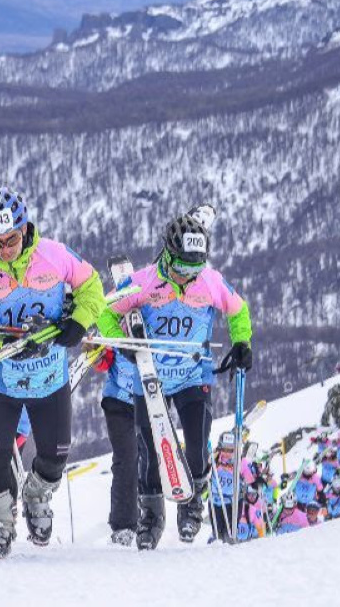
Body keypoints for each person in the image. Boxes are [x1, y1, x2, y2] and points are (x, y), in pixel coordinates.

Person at [0, 186, 106, 560]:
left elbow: (93, 287)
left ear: (25, 228)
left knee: (56, 454)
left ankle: (37, 492)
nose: (5, 249)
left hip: (48, 378)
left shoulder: (54, 255)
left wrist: (77, 324)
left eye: (12, 240)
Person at [97, 211, 253, 548]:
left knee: (196, 445)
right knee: (151, 452)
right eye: (181, 267)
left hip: (192, 374)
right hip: (150, 377)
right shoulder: (143, 281)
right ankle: (151, 515)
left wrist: (242, 342)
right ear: (168, 254)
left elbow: (238, 309)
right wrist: (123, 343)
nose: (187, 276)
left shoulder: (210, 281)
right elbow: (106, 312)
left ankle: (192, 503)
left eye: (194, 269)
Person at [97, 346, 138, 546]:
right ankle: (124, 525)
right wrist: (99, 355)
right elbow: (104, 362)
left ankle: (151, 518)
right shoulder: (115, 315)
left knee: (149, 458)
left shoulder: (158, 315)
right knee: (126, 458)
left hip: (151, 399)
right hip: (118, 400)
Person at [208, 431, 255, 543]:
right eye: (224, 449)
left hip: (233, 502)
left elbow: (249, 479)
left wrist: (252, 479)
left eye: (231, 450)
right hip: (215, 501)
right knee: (217, 532)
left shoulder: (240, 461)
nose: (227, 453)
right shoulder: (214, 458)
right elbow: (205, 471)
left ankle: (230, 550)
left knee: (229, 533)